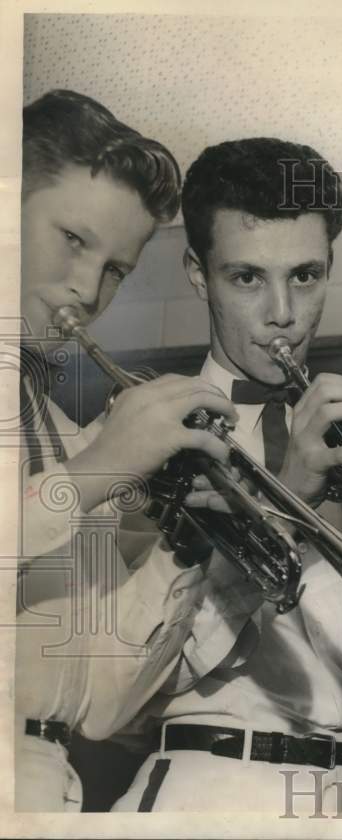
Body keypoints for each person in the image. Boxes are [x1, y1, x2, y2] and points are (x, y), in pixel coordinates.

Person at [112, 137, 342, 814]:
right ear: (199, 275)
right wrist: (292, 505)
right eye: (246, 279)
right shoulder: (138, 431)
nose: (283, 315)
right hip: (210, 790)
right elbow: (132, 683)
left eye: (304, 275)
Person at [14, 89, 238, 811]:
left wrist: (180, 540)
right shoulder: (86, 459)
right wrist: (103, 468)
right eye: (73, 240)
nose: (87, 286)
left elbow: (105, 708)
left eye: (116, 268)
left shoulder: (59, 433)